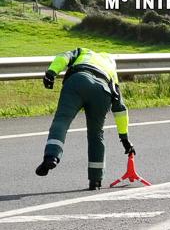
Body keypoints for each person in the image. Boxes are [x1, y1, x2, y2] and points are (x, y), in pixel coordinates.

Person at [35, 48, 136, 190]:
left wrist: (51, 73)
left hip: (78, 81)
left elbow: (63, 57)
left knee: (62, 121)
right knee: (96, 134)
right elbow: (120, 108)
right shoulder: (111, 68)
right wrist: (124, 139)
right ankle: (95, 180)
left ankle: (52, 156)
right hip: (102, 91)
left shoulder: (83, 52)